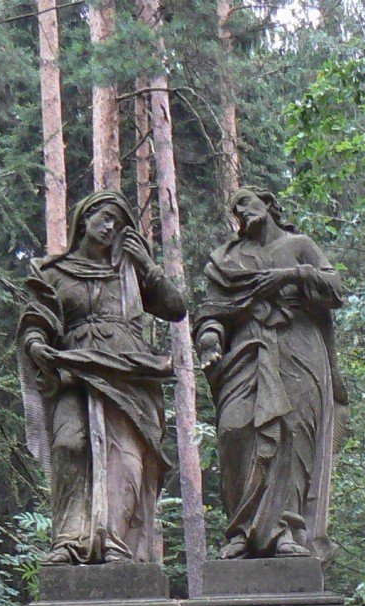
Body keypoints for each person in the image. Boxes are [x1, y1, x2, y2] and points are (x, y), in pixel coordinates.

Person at [19, 190, 188, 565]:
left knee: (126, 458)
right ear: (85, 217)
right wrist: (35, 346)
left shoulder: (128, 273)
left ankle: (117, 542)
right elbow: (36, 321)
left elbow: (176, 308)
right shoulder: (54, 272)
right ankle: (69, 539)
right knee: (69, 445)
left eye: (119, 222)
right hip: (74, 371)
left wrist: (146, 264)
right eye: (105, 217)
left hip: (128, 372)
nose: (111, 227)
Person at [195, 188, 347, 560]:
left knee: (293, 434)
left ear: (269, 205)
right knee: (234, 429)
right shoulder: (228, 260)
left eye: (247, 201)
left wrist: (288, 276)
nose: (241, 210)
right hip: (247, 348)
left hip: (298, 345)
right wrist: (210, 340)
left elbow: (337, 287)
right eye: (235, 208)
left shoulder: (299, 244)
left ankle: (286, 531)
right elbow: (211, 312)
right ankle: (241, 530)